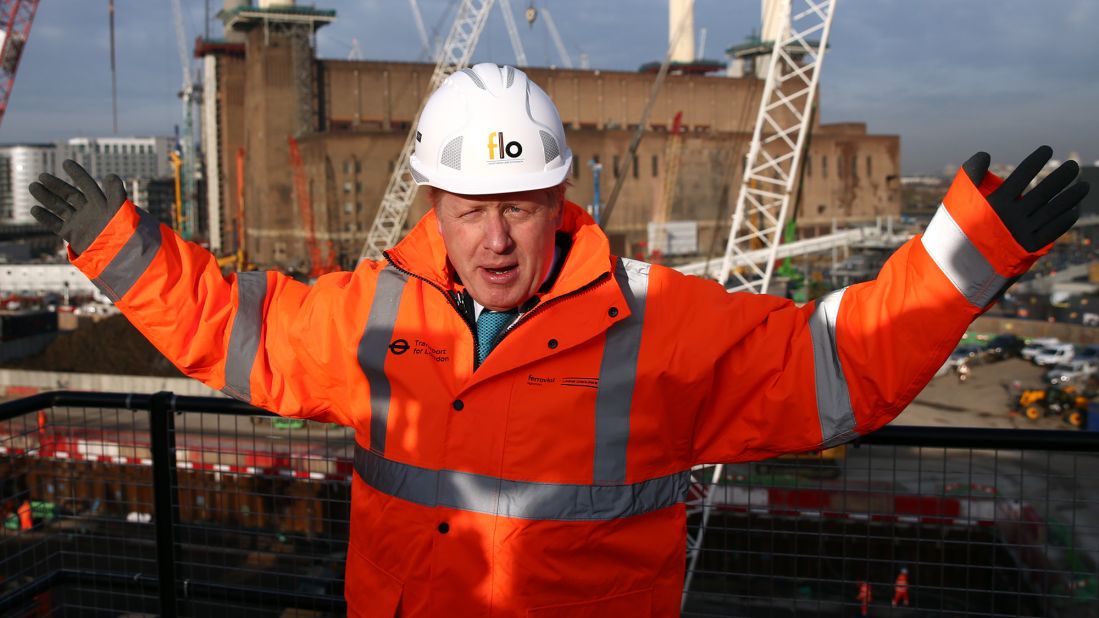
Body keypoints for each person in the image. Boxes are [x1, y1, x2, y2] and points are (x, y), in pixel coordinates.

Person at [28, 63, 1088, 617]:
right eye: (470, 208)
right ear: (433, 204)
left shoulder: (660, 322)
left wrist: (965, 254)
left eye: (522, 208)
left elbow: (835, 364)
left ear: (559, 200)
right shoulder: (375, 312)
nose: (495, 240)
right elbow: (241, 331)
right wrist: (126, 254)